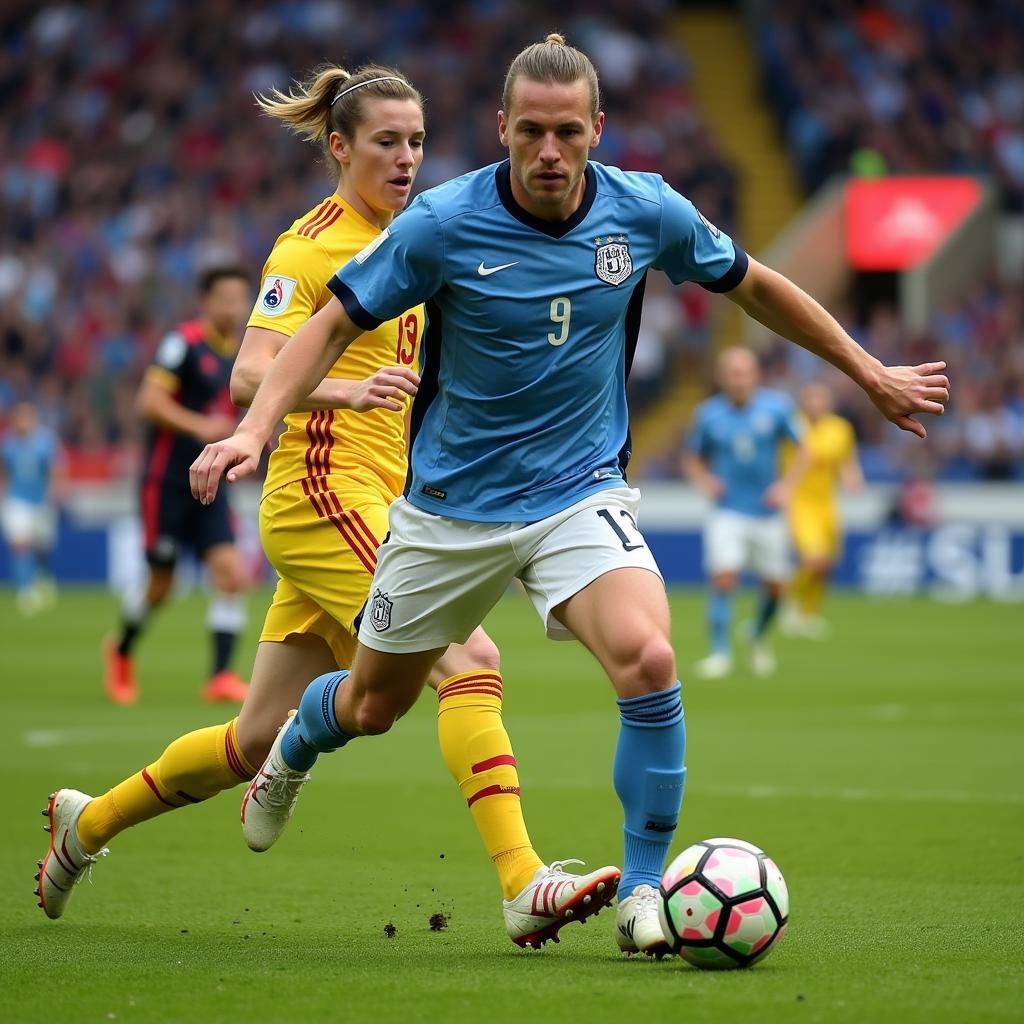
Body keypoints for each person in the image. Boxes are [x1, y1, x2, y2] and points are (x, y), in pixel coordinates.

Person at [188, 35, 949, 956]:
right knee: (373, 706)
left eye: (569, 133)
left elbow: (756, 287)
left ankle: (639, 894)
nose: (550, 154)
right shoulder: (441, 224)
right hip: (450, 513)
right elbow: (324, 328)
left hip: (577, 495)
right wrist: (252, 429)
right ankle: (300, 743)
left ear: (599, 129)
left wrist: (867, 372)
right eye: (531, 134)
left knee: (650, 660)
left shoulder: (646, 211)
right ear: (503, 129)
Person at [37, 65, 614, 952]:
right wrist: (346, 392)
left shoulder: (424, 234)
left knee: (252, 737)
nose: (407, 158)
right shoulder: (307, 249)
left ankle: (85, 828)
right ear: (340, 148)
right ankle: (522, 882)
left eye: (417, 141)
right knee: (471, 661)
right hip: (320, 494)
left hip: (389, 500)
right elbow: (248, 373)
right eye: (387, 142)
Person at [103, 268, 254, 705]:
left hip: (211, 482)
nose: (233, 308)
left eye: (240, 299)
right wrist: (203, 426)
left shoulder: (242, 355)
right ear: (204, 301)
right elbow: (148, 402)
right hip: (166, 482)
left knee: (232, 574)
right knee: (161, 586)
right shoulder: (182, 343)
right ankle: (121, 649)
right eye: (224, 298)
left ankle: (221, 676)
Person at [682, 347, 808, 679]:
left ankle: (757, 635)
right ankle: (720, 653)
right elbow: (692, 458)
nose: (738, 379)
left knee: (777, 588)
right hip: (728, 511)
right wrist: (706, 482)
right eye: (732, 373)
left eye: (744, 372)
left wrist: (787, 487)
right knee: (724, 578)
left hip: (767, 512)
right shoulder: (708, 414)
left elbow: (805, 449)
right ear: (722, 377)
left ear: (755, 375)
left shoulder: (778, 408)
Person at [781, 381, 863, 638]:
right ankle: (787, 601)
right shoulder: (792, 427)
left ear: (829, 403)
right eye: (811, 399)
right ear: (803, 403)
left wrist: (853, 477)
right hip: (800, 503)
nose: (816, 404)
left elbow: (847, 460)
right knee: (814, 558)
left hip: (827, 504)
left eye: (821, 399)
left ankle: (808, 615)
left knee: (826, 565)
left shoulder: (840, 429)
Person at [1, 401, 64, 615]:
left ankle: (44, 576)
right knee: (20, 544)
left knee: (42, 545)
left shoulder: (45, 442)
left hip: (41, 502)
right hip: (16, 500)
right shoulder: (8, 444)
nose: (23, 423)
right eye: (20, 418)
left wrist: (56, 491)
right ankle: (26, 590)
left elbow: (55, 469)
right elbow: (4, 472)